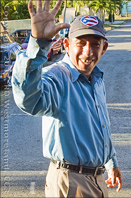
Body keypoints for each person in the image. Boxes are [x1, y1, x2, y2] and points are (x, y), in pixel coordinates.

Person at [12, 0, 122, 197]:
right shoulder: (58, 77)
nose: (88, 52)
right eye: (81, 43)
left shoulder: (96, 79)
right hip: (70, 183)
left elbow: (101, 125)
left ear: (103, 48)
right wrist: (38, 44)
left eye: (95, 45)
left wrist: (110, 162)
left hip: (97, 179)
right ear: (66, 44)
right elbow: (29, 100)